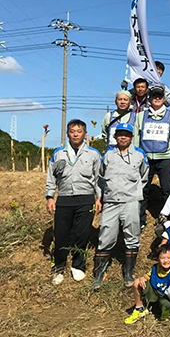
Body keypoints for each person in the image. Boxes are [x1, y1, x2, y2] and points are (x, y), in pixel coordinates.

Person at [45, 119, 101, 285]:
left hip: (85, 199)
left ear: (85, 134)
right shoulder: (58, 153)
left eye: (79, 131)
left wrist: (99, 198)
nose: (76, 134)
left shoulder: (93, 154)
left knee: (82, 234)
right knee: (61, 235)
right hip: (64, 199)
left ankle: (78, 265)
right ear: (68, 133)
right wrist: (49, 197)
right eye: (72, 131)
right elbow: (51, 177)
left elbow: (99, 179)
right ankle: (59, 267)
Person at [93, 123, 149, 289]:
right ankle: (99, 274)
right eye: (120, 134)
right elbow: (100, 177)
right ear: (115, 136)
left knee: (132, 236)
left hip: (131, 201)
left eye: (126, 134)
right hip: (110, 201)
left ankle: (129, 272)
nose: (123, 137)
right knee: (105, 235)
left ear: (131, 137)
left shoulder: (139, 154)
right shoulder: (108, 154)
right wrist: (100, 197)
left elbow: (144, 177)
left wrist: (135, 192)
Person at [133, 85, 170, 229]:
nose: (157, 98)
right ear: (150, 99)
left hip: (166, 157)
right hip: (146, 158)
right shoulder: (141, 116)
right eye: (154, 96)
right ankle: (140, 220)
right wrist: (137, 156)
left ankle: (169, 218)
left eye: (160, 96)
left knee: (167, 189)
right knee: (143, 189)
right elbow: (136, 137)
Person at [124, 244, 170, 324]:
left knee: (165, 308)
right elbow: (148, 276)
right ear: (158, 259)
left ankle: (168, 314)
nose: (166, 261)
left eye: (168, 258)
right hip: (155, 291)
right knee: (137, 282)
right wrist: (142, 278)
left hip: (167, 297)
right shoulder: (156, 267)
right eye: (162, 258)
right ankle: (139, 308)